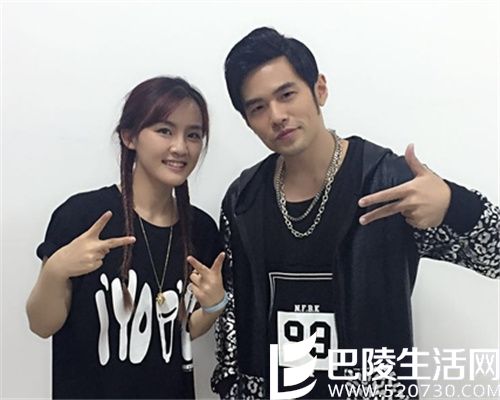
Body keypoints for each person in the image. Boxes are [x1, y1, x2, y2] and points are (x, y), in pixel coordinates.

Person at [211, 27, 499, 399]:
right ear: (247, 120)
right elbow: (233, 310)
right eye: (258, 107)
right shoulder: (243, 200)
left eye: (287, 94)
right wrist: (233, 387)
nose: (277, 115)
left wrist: (451, 203)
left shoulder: (386, 181)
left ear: (319, 89)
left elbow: (495, 256)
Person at [26, 76, 227, 399]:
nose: (180, 147)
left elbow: (182, 331)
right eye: (165, 130)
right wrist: (56, 269)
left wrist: (215, 306)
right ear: (129, 136)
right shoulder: (82, 216)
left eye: (193, 134)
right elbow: (41, 325)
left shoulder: (201, 229)